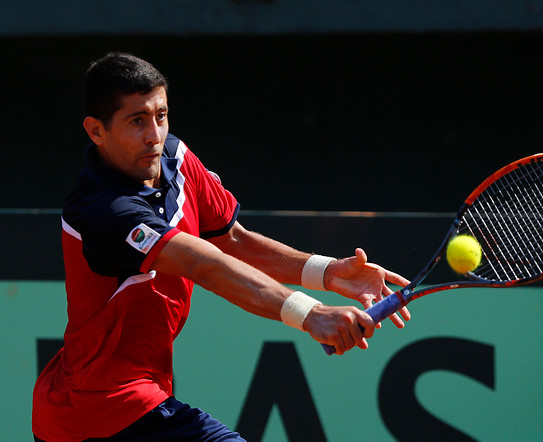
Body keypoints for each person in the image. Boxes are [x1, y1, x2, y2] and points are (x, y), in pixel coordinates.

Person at [32, 52, 411, 442]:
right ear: (96, 131)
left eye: (161, 116)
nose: (154, 135)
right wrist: (310, 313)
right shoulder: (100, 209)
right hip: (96, 409)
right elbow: (205, 265)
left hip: (129, 402)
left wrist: (327, 272)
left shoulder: (174, 159)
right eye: (136, 121)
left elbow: (232, 241)